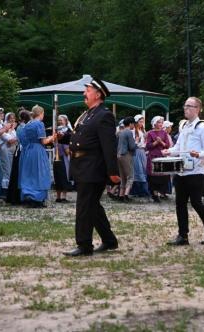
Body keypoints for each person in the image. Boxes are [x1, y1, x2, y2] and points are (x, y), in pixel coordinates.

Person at [64, 77, 120, 257]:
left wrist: (112, 172)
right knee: (92, 206)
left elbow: (109, 146)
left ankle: (84, 245)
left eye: (87, 90)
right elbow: (80, 137)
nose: (84, 94)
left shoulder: (104, 115)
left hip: (93, 168)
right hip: (82, 166)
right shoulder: (87, 114)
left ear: (97, 94)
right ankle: (109, 240)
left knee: (84, 207)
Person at [162, 97, 204, 246]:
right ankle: (183, 236)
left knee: (196, 203)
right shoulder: (184, 126)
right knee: (179, 203)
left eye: (189, 106)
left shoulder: (203, 127)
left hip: (196, 171)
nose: (185, 108)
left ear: (197, 109)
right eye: (185, 105)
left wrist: (198, 154)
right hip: (181, 170)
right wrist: (169, 151)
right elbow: (179, 147)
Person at [19, 105, 54, 208]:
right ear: (41, 113)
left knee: (30, 174)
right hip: (38, 150)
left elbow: (23, 138)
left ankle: (30, 196)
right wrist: (52, 137)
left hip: (28, 150)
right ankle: (38, 199)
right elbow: (43, 141)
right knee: (40, 173)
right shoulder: (39, 124)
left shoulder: (27, 124)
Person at [6, 110, 31, 204]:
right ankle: (18, 197)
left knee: (16, 173)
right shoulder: (24, 127)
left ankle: (15, 196)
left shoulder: (20, 126)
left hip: (19, 150)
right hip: (22, 151)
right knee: (20, 173)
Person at [146, 115, 171, 202]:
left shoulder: (164, 133)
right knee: (153, 177)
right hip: (153, 156)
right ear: (154, 123)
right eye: (159, 122)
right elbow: (148, 146)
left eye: (161, 122)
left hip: (161, 156)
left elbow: (167, 145)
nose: (161, 124)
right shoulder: (150, 133)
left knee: (162, 176)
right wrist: (156, 142)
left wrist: (161, 142)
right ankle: (155, 194)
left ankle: (161, 193)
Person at [116, 116, 136, 202]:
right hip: (126, 154)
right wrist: (137, 142)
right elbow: (131, 146)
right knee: (130, 176)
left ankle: (120, 195)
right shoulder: (129, 132)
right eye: (133, 124)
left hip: (119, 155)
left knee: (123, 176)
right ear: (131, 124)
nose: (134, 125)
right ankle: (126, 195)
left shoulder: (121, 132)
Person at [54, 115, 74, 203]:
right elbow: (67, 149)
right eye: (58, 120)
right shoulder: (63, 131)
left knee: (59, 176)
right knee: (62, 176)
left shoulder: (60, 131)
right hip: (62, 156)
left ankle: (60, 196)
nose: (59, 121)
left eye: (61, 120)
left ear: (66, 121)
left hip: (59, 156)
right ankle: (61, 197)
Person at [130, 114, 150, 197]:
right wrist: (138, 141)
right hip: (137, 151)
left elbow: (144, 143)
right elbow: (133, 144)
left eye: (143, 122)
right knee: (138, 169)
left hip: (142, 152)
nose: (142, 123)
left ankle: (143, 190)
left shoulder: (142, 131)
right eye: (140, 122)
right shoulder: (133, 131)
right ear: (136, 122)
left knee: (143, 169)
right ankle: (138, 190)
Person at [0, 112, 18, 196]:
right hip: (6, 149)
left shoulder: (13, 128)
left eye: (14, 118)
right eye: (11, 118)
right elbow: (9, 139)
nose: (13, 119)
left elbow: (15, 139)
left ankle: (10, 189)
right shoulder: (5, 126)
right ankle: (4, 190)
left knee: (11, 168)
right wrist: (15, 138)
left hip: (12, 149)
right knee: (6, 169)